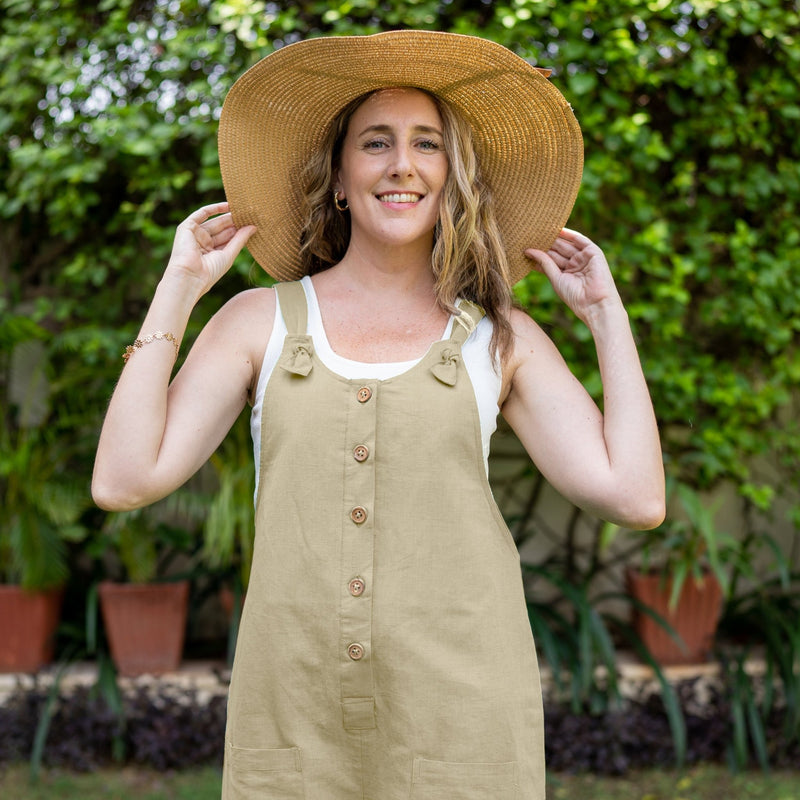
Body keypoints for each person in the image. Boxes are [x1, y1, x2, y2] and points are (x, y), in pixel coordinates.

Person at [93, 30, 664, 800]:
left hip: (464, 722)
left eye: (427, 144)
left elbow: (634, 497)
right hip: (292, 720)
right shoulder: (257, 322)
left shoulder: (503, 338)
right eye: (376, 143)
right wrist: (180, 285)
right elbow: (125, 480)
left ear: (449, 176)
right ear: (338, 177)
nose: (402, 163)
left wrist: (606, 316)